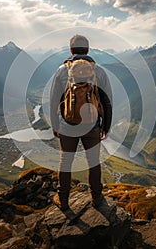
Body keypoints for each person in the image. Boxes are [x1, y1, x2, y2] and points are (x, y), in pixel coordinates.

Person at [50, 34, 112, 210]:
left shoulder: (62, 70)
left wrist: (55, 125)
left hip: (67, 125)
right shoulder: (98, 71)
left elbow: (54, 100)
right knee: (93, 162)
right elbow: (107, 101)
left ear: (70, 50)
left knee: (66, 161)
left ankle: (62, 200)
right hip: (92, 125)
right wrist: (105, 126)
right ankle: (97, 198)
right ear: (88, 49)